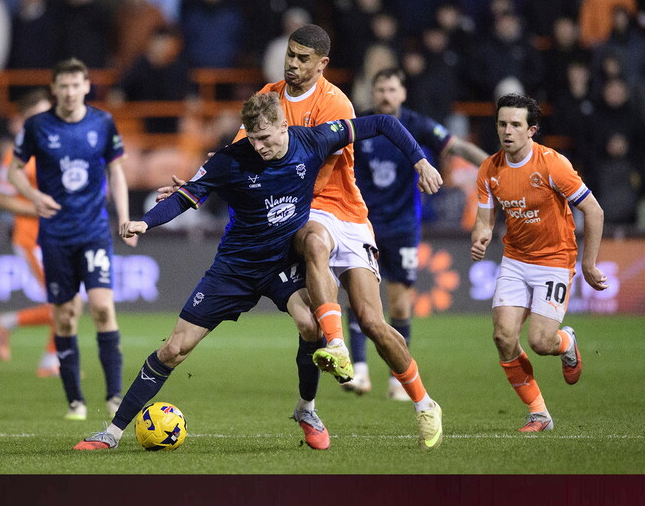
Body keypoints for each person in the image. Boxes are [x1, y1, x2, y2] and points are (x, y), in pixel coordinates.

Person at [73, 91, 444, 451]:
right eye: (252, 139)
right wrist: (146, 223)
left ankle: (307, 410)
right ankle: (112, 432)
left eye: (265, 138)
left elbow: (380, 122)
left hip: (282, 263)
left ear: (284, 126)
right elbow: (189, 196)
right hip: (234, 268)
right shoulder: (231, 160)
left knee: (312, 325)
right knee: (174, 349)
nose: (260, 147)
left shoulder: (314, 140)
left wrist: (419, 160)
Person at [156, 24, 445, 449]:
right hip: (305, 211)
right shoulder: (269, 98)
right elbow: (240, 152)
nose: (292, 63)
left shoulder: (334, 103)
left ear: (322, 64)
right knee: (312, 242)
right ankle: (336, 346)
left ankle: (424, 403)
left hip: (348, 210)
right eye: (291, 54)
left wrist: (419, 160)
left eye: (303, 58)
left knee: (374, 321)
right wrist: (198, 183)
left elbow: (366, 132)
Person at [469, 93, 608, 432]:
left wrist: (589, 264)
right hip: (515, 259)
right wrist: (482, 235)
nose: (507, 131)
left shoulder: (552, 164)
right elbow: (485, 219)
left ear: (531, 130)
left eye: (515, 125)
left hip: (554, 260)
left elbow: (594, 210)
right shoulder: (490, 168)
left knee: (541, 342)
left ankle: (566, 342)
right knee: (503, 337)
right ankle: (539, 413)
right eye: (502, 123)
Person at [346, 67, 489, 398]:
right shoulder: (360, 124)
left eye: (392, 89)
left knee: (399, 305)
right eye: (380, 89)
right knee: (357, 297)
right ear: (373, 92)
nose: (385, 95)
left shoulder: (416, 125)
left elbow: (457, 148)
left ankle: (398, 377)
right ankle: (360, 371)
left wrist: (496, 168)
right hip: (361, 223)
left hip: (402, 226)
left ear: (403, 93)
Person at [7, 58, 136, 421]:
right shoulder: (36, 126)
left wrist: (124, 218)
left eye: (74, 85)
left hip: (94, 231)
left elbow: (116, 170)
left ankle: (113, 396)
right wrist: (33, 198)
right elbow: (14, 172)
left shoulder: (102, 122)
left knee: (102, 308)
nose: (68, 92)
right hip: (56, 236)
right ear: (54, 89)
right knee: (64, 318)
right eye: (62, 86)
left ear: (86, 86)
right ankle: (76, 401)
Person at [0, 88, 61, 378]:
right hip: (32, 238)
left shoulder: (58, 148)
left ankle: (5, 324)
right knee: (66, 300)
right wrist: (39, 207)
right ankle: (50, 362)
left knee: (67, 301)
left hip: (59, 235)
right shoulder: (17, 153)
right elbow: (1, 199)